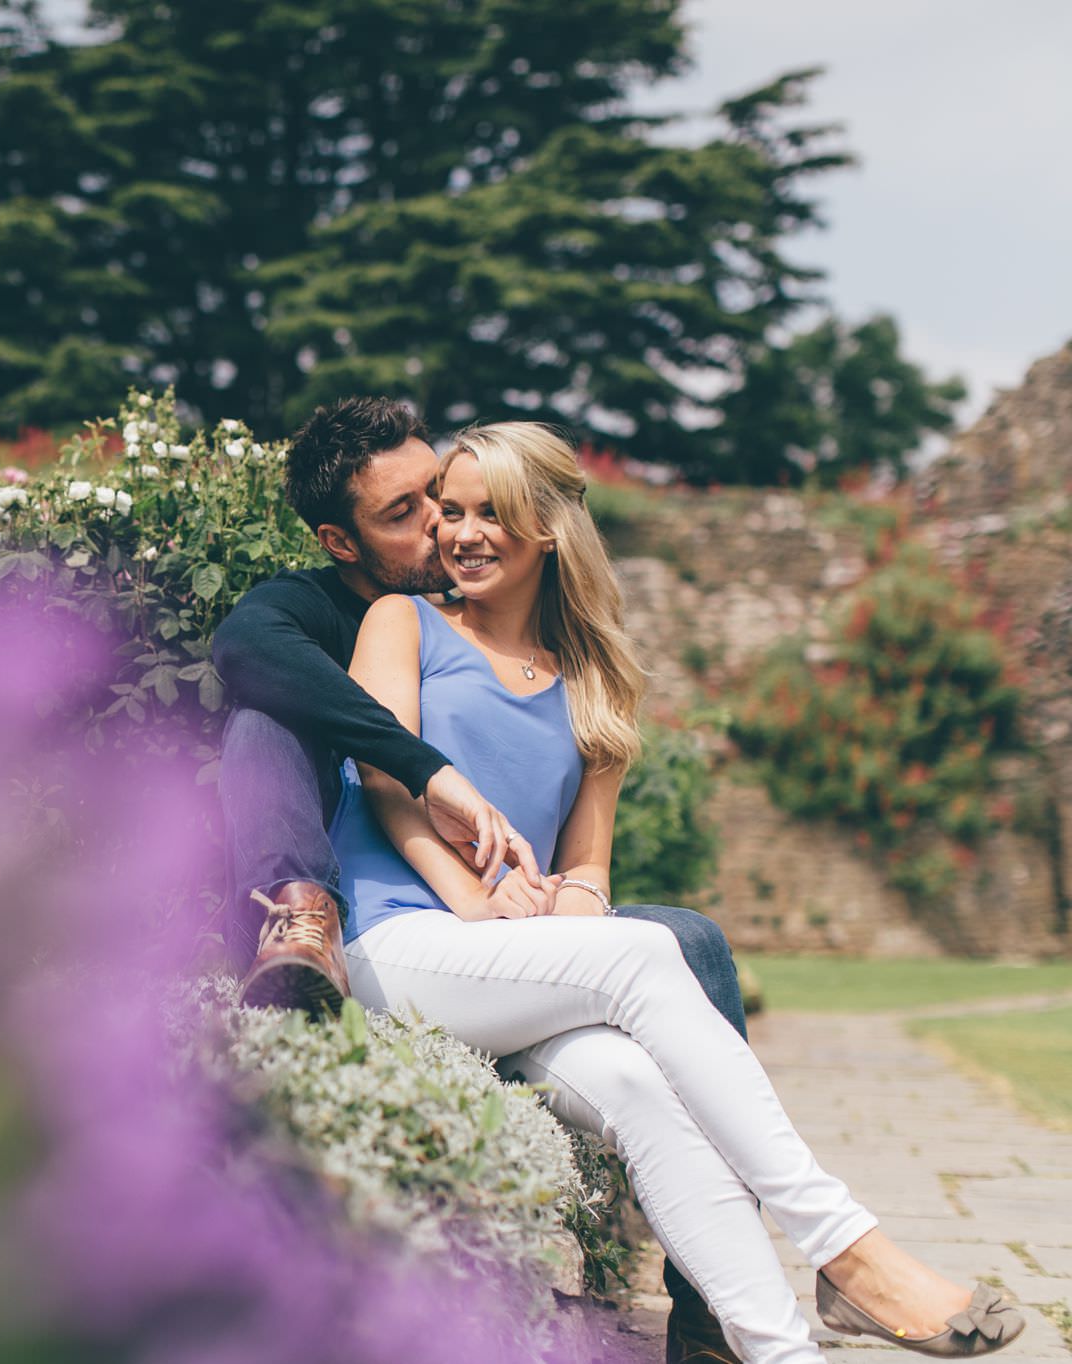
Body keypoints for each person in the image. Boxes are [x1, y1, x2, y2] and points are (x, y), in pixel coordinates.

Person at [330, 420, 1023, 1362]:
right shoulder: (401, 624)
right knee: (651, 953)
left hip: (510, 968)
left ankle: (781, 1351)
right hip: (394, 946)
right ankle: (848, 1251)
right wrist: (472, 901)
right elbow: (383, 781)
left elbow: (588, 868)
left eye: (493, 513)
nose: (462, 533)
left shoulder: (593, 680)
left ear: (547, 529)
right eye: (450, 512)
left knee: (642, 1090)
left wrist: (567, 908)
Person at [213, 397, 751, 1360]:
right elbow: (246, 654)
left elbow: (587, 842)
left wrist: (563, 895)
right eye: (406, 512)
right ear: (340, 540)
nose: (442, 523)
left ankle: (709, 1309)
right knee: (263, 713)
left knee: (696, 939)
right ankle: (299, 929)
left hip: (514, 904)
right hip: (390, 908)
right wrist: (428, 776)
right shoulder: (339, 612)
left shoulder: (552, 649)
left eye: (447, 494)